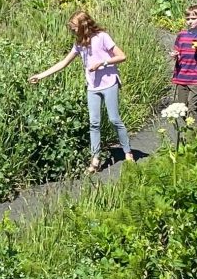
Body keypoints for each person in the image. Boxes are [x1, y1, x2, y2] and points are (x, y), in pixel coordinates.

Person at [30, 10, 133, 172]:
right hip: (92, 87)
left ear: (83, 25)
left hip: (109, 83)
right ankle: (95, 158)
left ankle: (128, 152)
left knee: (114, 119)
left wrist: (101, 63)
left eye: (74, 27)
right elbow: (63, 63)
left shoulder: (102, 37)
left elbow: (122, 56)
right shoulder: (79, 44)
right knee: (94, 123)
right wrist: (41, 76)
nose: (72, 30)